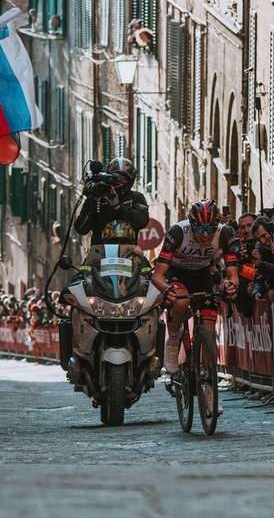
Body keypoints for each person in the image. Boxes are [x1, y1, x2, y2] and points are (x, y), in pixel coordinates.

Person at [151, 200, 239, 374]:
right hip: (175, 271)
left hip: (201, 274)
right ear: (191, 226)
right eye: (199, 229)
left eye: (210, 230)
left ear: (217, 226)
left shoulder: (224, 234)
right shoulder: (177, 232)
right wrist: (167, 290)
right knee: (181, 302)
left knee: (209, 327)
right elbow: (157, 276)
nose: (205, 235)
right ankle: (174, 338)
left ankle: (208, 376)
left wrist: (231, 286)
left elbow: (233, 275)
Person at [73, 157, 149, 245]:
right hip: (99, 252)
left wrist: (119, 207)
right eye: (115, 178)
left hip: (129, 252)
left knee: (142, 259)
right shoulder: (98, 197)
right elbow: (81, 229)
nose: (119, 182)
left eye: (123, 179)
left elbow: (143, 221)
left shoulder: (136, 197)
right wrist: (92, 201)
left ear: (130, 181)